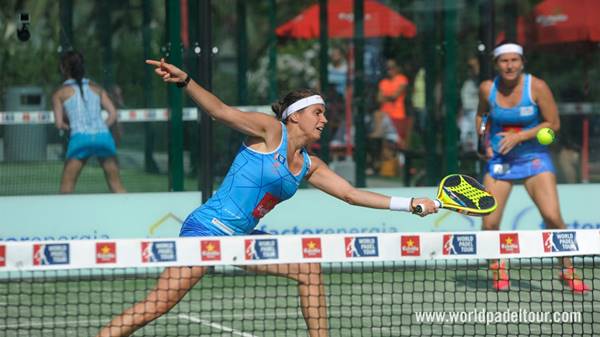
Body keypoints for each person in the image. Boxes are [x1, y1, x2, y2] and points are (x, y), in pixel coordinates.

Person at [95, 58, 439, 337]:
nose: (324, 118)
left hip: (243, 239)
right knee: (158, 304)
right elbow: (218, 111)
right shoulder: (270, 131)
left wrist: (408, 204)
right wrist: (186, 81)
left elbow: (350, 194)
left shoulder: (308, 165)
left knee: (308, 268)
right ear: (294, 116)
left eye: (323, 113)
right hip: (209, 230)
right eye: (317, 112)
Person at [476, 41, 589, 293]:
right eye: (504, 61)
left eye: (514, 60)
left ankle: (567, 271)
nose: (510, 65)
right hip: (500, 162)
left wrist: (520, 136)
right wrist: (484, 143)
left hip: (534, 158)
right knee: (489, 222)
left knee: (552, 217)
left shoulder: (536, 86)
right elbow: (481, 116)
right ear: (496, 64)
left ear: (522, 63)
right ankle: (498, 269)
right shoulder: (487, 89)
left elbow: (554, 124)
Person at [51, 51, 126, 193]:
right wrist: (102, 127)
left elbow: (59, 124)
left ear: (63, 68)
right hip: (103, 137)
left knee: (66, 188)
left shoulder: (60, 93)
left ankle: (63, 216)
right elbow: (113, 114)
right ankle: (130, 213)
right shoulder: (97, 89)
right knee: (116, 185)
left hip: (80, 138)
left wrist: (71, 127)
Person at [377, 58, 409, 150]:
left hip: (398, 116)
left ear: (397, 68)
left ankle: (402, 161)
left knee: (399, 142)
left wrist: (386, 97)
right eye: (388, 68)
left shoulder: (402, 79)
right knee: (384, 141)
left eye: (392, 67)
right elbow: (379, 99)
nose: (389, 70)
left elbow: (395, 96)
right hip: (384, 116)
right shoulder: (383, 82)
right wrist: (390, 97)